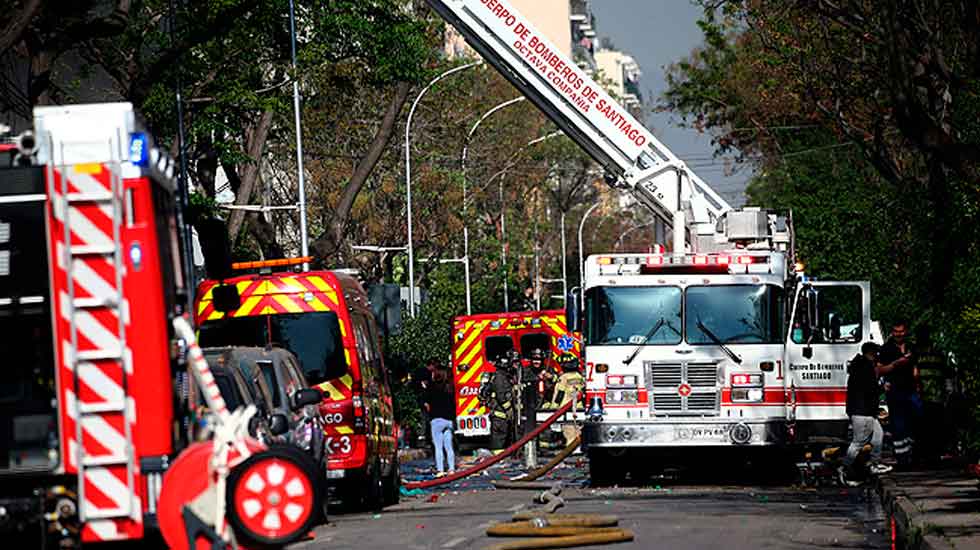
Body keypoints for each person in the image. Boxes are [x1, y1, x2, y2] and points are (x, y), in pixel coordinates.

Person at [838, 342, 898, 486]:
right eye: (876, 353)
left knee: (878, 435)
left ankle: (874, 464)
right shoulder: (865, 367)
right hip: (862, 411)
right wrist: (883, 388)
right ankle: (844, 467)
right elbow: (870, 389)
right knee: (859, 442)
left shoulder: (859, 365)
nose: (878, 356)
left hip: (866, 411)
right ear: (871, 353)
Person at [879, 319, 920, 467]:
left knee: (916, 420)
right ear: (892, 332)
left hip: (911, 390)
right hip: (895, 391)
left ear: (906, 331)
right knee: (898, 425)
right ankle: (902, 458)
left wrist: (917, 382)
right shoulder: (886, 349)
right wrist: (895, 364)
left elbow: (915, 366)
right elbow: (880, 370)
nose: (898, 335)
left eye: (901, 332)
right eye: (896, 332)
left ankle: (912, 454)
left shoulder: (912, 347)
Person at [548, 354, 586, 450]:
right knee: (577, 429)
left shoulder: (564, 377)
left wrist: (553, 407)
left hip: (565, 408)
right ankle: (578, 448)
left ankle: (570, 449)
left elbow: (560, 393)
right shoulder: (579, 376)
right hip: (578, 408)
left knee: (568, 430)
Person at [424, 363, 456, 476]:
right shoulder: (450, 387)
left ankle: (440, 470)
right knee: (449, 446)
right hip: (449, 421)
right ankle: (451, 469)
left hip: (436, 420)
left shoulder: (431, 387)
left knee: (438, 447)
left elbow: (427, 405)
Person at [488, 354, 517, 449]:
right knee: (499, 441)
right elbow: (501, 396)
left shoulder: (502, 376)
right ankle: (497, 460)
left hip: (501, 417)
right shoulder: (500, 378)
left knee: (504, 440)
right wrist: (509, 409)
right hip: (500, 417)